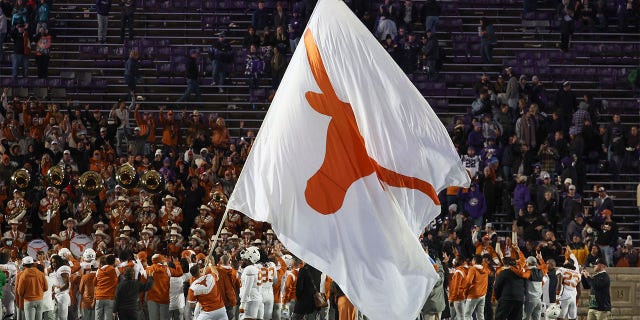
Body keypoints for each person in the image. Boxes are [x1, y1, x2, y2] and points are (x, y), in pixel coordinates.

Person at [17, 256, 48, 320]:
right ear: (33, 264)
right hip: (40, 300)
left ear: (23, 264)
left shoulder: (23, 275)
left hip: (29, 301)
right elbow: (46, 288)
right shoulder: (41, 273)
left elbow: (20, 292)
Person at [240, 246, 263, 320]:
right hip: (256, 298)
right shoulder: (256, 268)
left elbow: (247, 287)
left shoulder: (249, 269)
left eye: (244, 259)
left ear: (249, 259)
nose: (242, 260)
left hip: (250, 299)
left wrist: (243, 303)